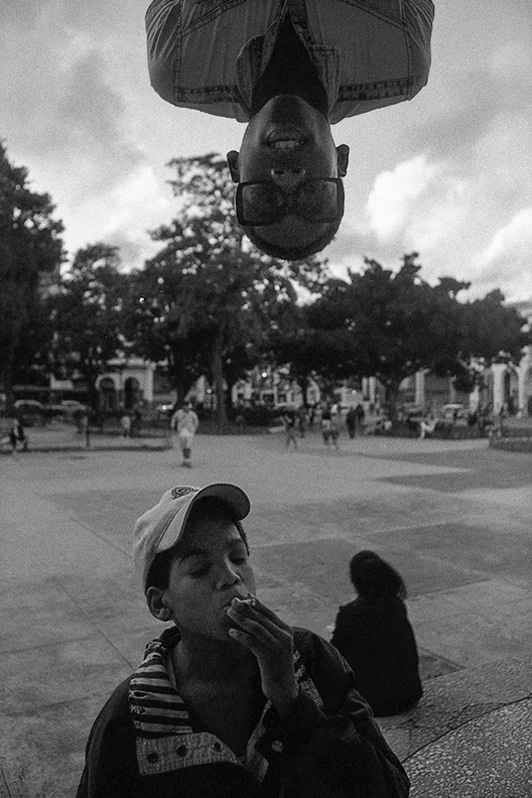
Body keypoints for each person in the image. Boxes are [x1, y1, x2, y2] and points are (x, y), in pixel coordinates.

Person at [77, 483, 410, 797]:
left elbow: (391, 787)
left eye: (237, 557)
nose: (230, 576)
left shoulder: (309, 659)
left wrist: (293, 704)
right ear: (160, 603)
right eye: (199, 569)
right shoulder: (132, 719)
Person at [146, 1, 434, 260]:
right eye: (315, 196)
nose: (287, 179)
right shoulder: (404, 57)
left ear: (235, 165)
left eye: (264, 199)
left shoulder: (177, 66)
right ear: (341, 160)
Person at [331, 551, 423, 717]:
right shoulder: (396, 605)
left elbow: (334, 653)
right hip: (409, 695)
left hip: (373, 703)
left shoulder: (350, 614)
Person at [171, 400, 200, 467]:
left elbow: (196, 422)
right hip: (181, 431)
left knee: (188, 445)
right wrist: (173, 427)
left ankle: (188, 460)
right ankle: (185, 459)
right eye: (185, 406)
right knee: (183, 446)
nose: (186, 408)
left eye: (187, 406)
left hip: (190, 431)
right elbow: (174, 419)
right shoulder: (179, 413)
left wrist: (194, 430)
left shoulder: (192, 414)